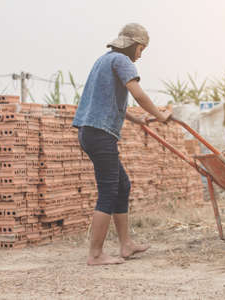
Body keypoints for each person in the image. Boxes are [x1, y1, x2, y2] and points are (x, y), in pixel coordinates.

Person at [72, 23, 170, 265]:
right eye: (141, 49)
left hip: (90, 131)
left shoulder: (103, 61)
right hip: (100, 133)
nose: (140, 55)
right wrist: (160, 115)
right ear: (134, 45)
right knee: (108, 190)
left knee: (122, 185)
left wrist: (138, 119)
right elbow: (137, 93)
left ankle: (126, 245)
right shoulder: (124, 61)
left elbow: (107, 101)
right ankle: (95, 255)